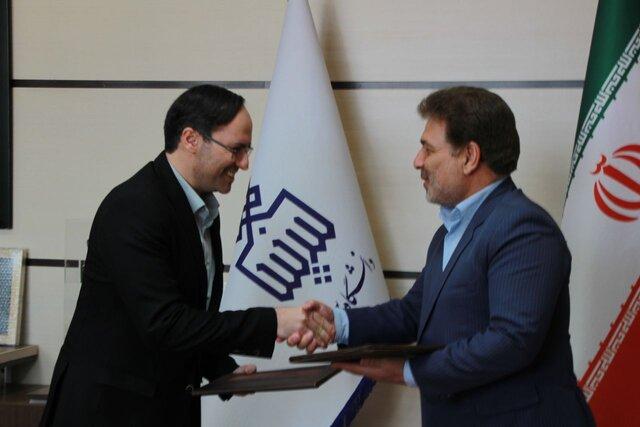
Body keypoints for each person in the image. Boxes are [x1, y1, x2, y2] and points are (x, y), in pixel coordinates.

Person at [302, 87, 595, 426]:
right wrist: (337, 323)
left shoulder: (523, 227)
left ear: (469, 156)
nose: (417, 161)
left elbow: (512, 340)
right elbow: (414, 313)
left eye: (428, 149)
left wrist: (410, 371)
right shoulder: (450, 231)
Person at [41, 85, 324, 427]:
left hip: (166, 408)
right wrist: (275, 321)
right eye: (236, 149)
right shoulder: (134, 207)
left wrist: (221, 369)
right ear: (191, 139)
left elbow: (190, 317)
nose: (245, 163)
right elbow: (165, 323)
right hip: (109, 412)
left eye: (246, 151)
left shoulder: (201, 210)